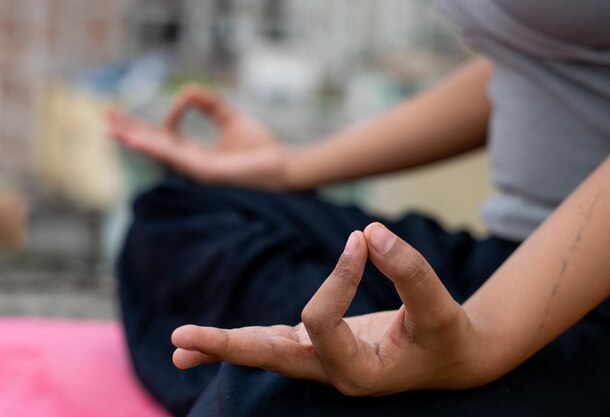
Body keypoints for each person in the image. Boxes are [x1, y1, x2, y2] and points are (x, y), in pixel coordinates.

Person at [107, 1, 610, 416]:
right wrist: (287, 169)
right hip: (511, 261)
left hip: (588, 314)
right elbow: (532, 61)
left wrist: (484, 338)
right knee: (175, 215)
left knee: (260, 401)